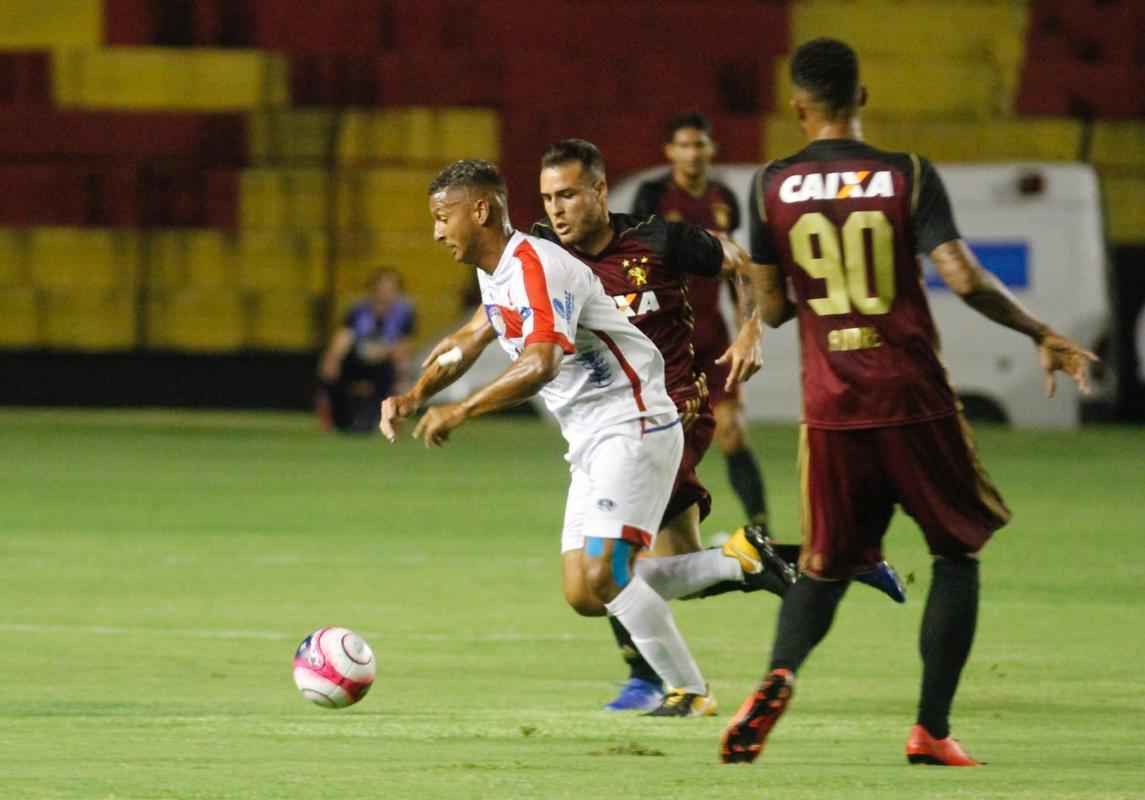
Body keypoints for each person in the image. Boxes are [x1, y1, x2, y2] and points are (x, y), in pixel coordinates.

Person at [719, 38, 1098, 766]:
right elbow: (963, 277)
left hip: (831, 407)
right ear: (861, 98)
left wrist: (759, 320)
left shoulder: (770, 185)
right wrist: (1039, 332)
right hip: (912, 397)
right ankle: (930, 729)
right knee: (955, 553)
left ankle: (778, 674)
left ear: (797, 107)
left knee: (825, 564)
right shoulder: (906, 174)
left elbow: (772, 307)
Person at [380, 159, 788, 719]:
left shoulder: (537, 266)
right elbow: (467, 342)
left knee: (606, 572)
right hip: (591, 437)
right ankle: (738, 561)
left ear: (480, 210)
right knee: (584, 592)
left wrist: (464, 410)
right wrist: (414, 395)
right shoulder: (496, 271)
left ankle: (688, 691)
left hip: (633, 420)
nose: (435, 231)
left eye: (441, 217)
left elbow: (542, 363)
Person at [533, 139, 902, 714]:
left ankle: (652, 679)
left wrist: (752, 327)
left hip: (666, 411)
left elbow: (742, 263)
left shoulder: (659, 239)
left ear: (600, 192)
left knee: (610, 567)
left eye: (569, 195)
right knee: (655, 567)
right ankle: (820, 557)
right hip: (607, 419)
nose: (557, 210)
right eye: (548, 198)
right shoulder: (543, 251)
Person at [633, 112, 773, 532]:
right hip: (666, 340)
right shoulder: (653, 196)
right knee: (665, 439)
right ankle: (650, 528)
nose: (692, 153)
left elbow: (737, 270)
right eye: (684, 145)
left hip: (712, 337)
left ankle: (761, 531)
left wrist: (747, 327)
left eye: (699, 145)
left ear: (711, 149)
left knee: (732, 431)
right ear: (669, 151)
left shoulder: (724, 198)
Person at [318, 269, 416, 433]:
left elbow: (404, 344)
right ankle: (330, 418)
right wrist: (333, 359)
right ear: (373, 289)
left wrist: (385, 353)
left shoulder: (404, 314)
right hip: (357, 360)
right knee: (329, 367)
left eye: (390, 289)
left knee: (402, 369)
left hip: (385, 362)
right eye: (381, 288)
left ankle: (393, 420)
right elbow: (344, 337)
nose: (385, 293)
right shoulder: (358, 311)